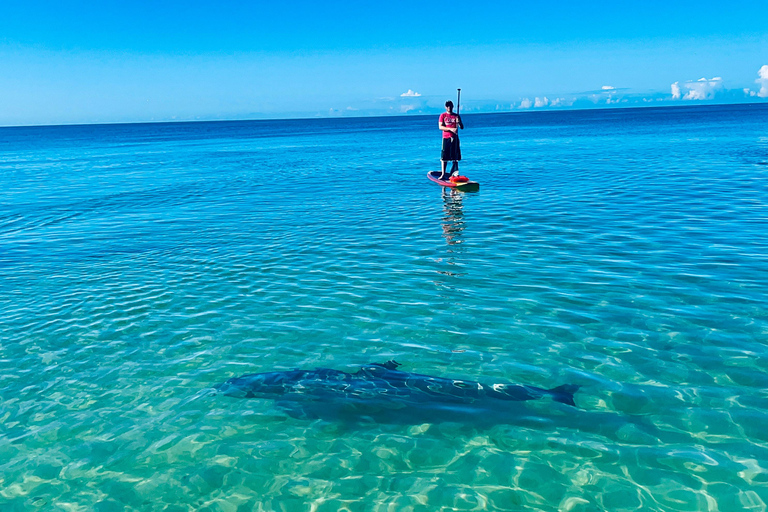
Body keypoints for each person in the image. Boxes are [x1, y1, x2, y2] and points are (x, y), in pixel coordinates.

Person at [438, 100, 464, 179]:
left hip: (455, 138)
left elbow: (462, 127)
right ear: (446, 107)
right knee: (444, 157)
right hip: (446, 138)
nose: (449, 108)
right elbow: (440, 127)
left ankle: (454, 174)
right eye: (448, 106)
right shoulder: (443, 115)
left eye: (450, 106)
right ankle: (443, 174)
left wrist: (459, 122)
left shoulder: (456, 116)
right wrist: (450, 129)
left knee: (455, 157)